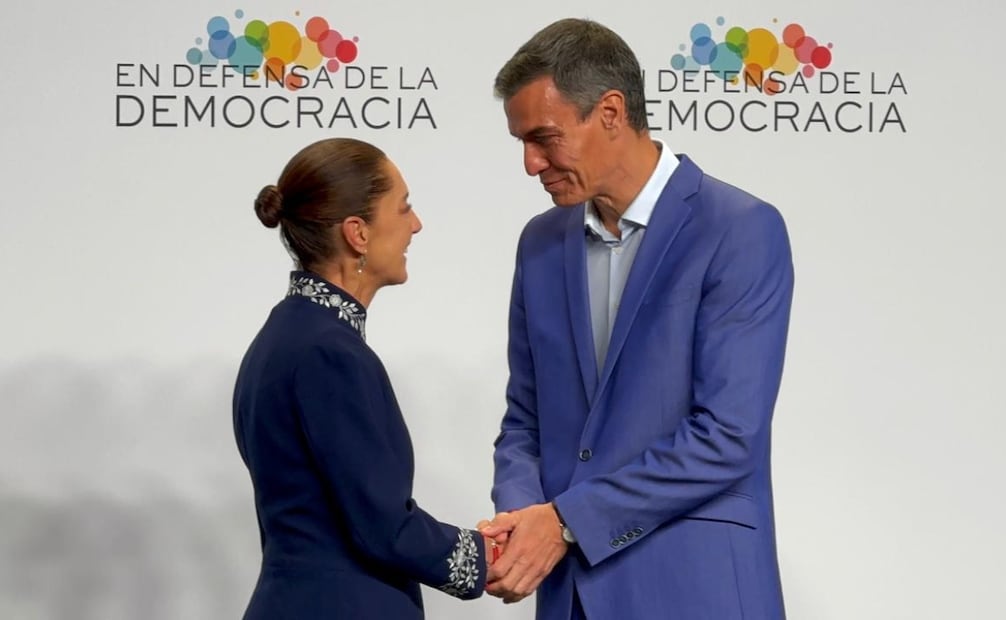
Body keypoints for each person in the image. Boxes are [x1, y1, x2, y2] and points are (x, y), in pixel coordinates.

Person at [480, 18, 795, 620]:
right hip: (570, 596)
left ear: (611, 112)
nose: (529, 163)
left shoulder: (739, 229)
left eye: (544, 137)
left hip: (697, 589)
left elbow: (727, 435)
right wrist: (522, 520)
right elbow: (526, 418)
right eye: (521, 142)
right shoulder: (541, 243)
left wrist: (566, 521)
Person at [233, 137, 497, 619]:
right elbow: (385, 527)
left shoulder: (284, 335)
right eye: (404, 207)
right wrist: (490, 558)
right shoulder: (329, 353)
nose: (416, 225)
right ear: (357, 232)